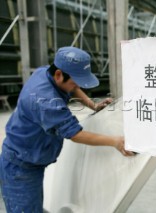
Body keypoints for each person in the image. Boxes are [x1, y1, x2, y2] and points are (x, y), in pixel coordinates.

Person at [0, 46, 134, 212]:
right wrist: (116, 142)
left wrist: (93, 105)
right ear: (58, 75)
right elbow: (75, 134)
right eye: (75, 81)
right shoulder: (45, 101)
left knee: (33, 205)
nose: (76, 86)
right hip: (20, 166)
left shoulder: (46, 72)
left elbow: (73, 88)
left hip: (30, 156)